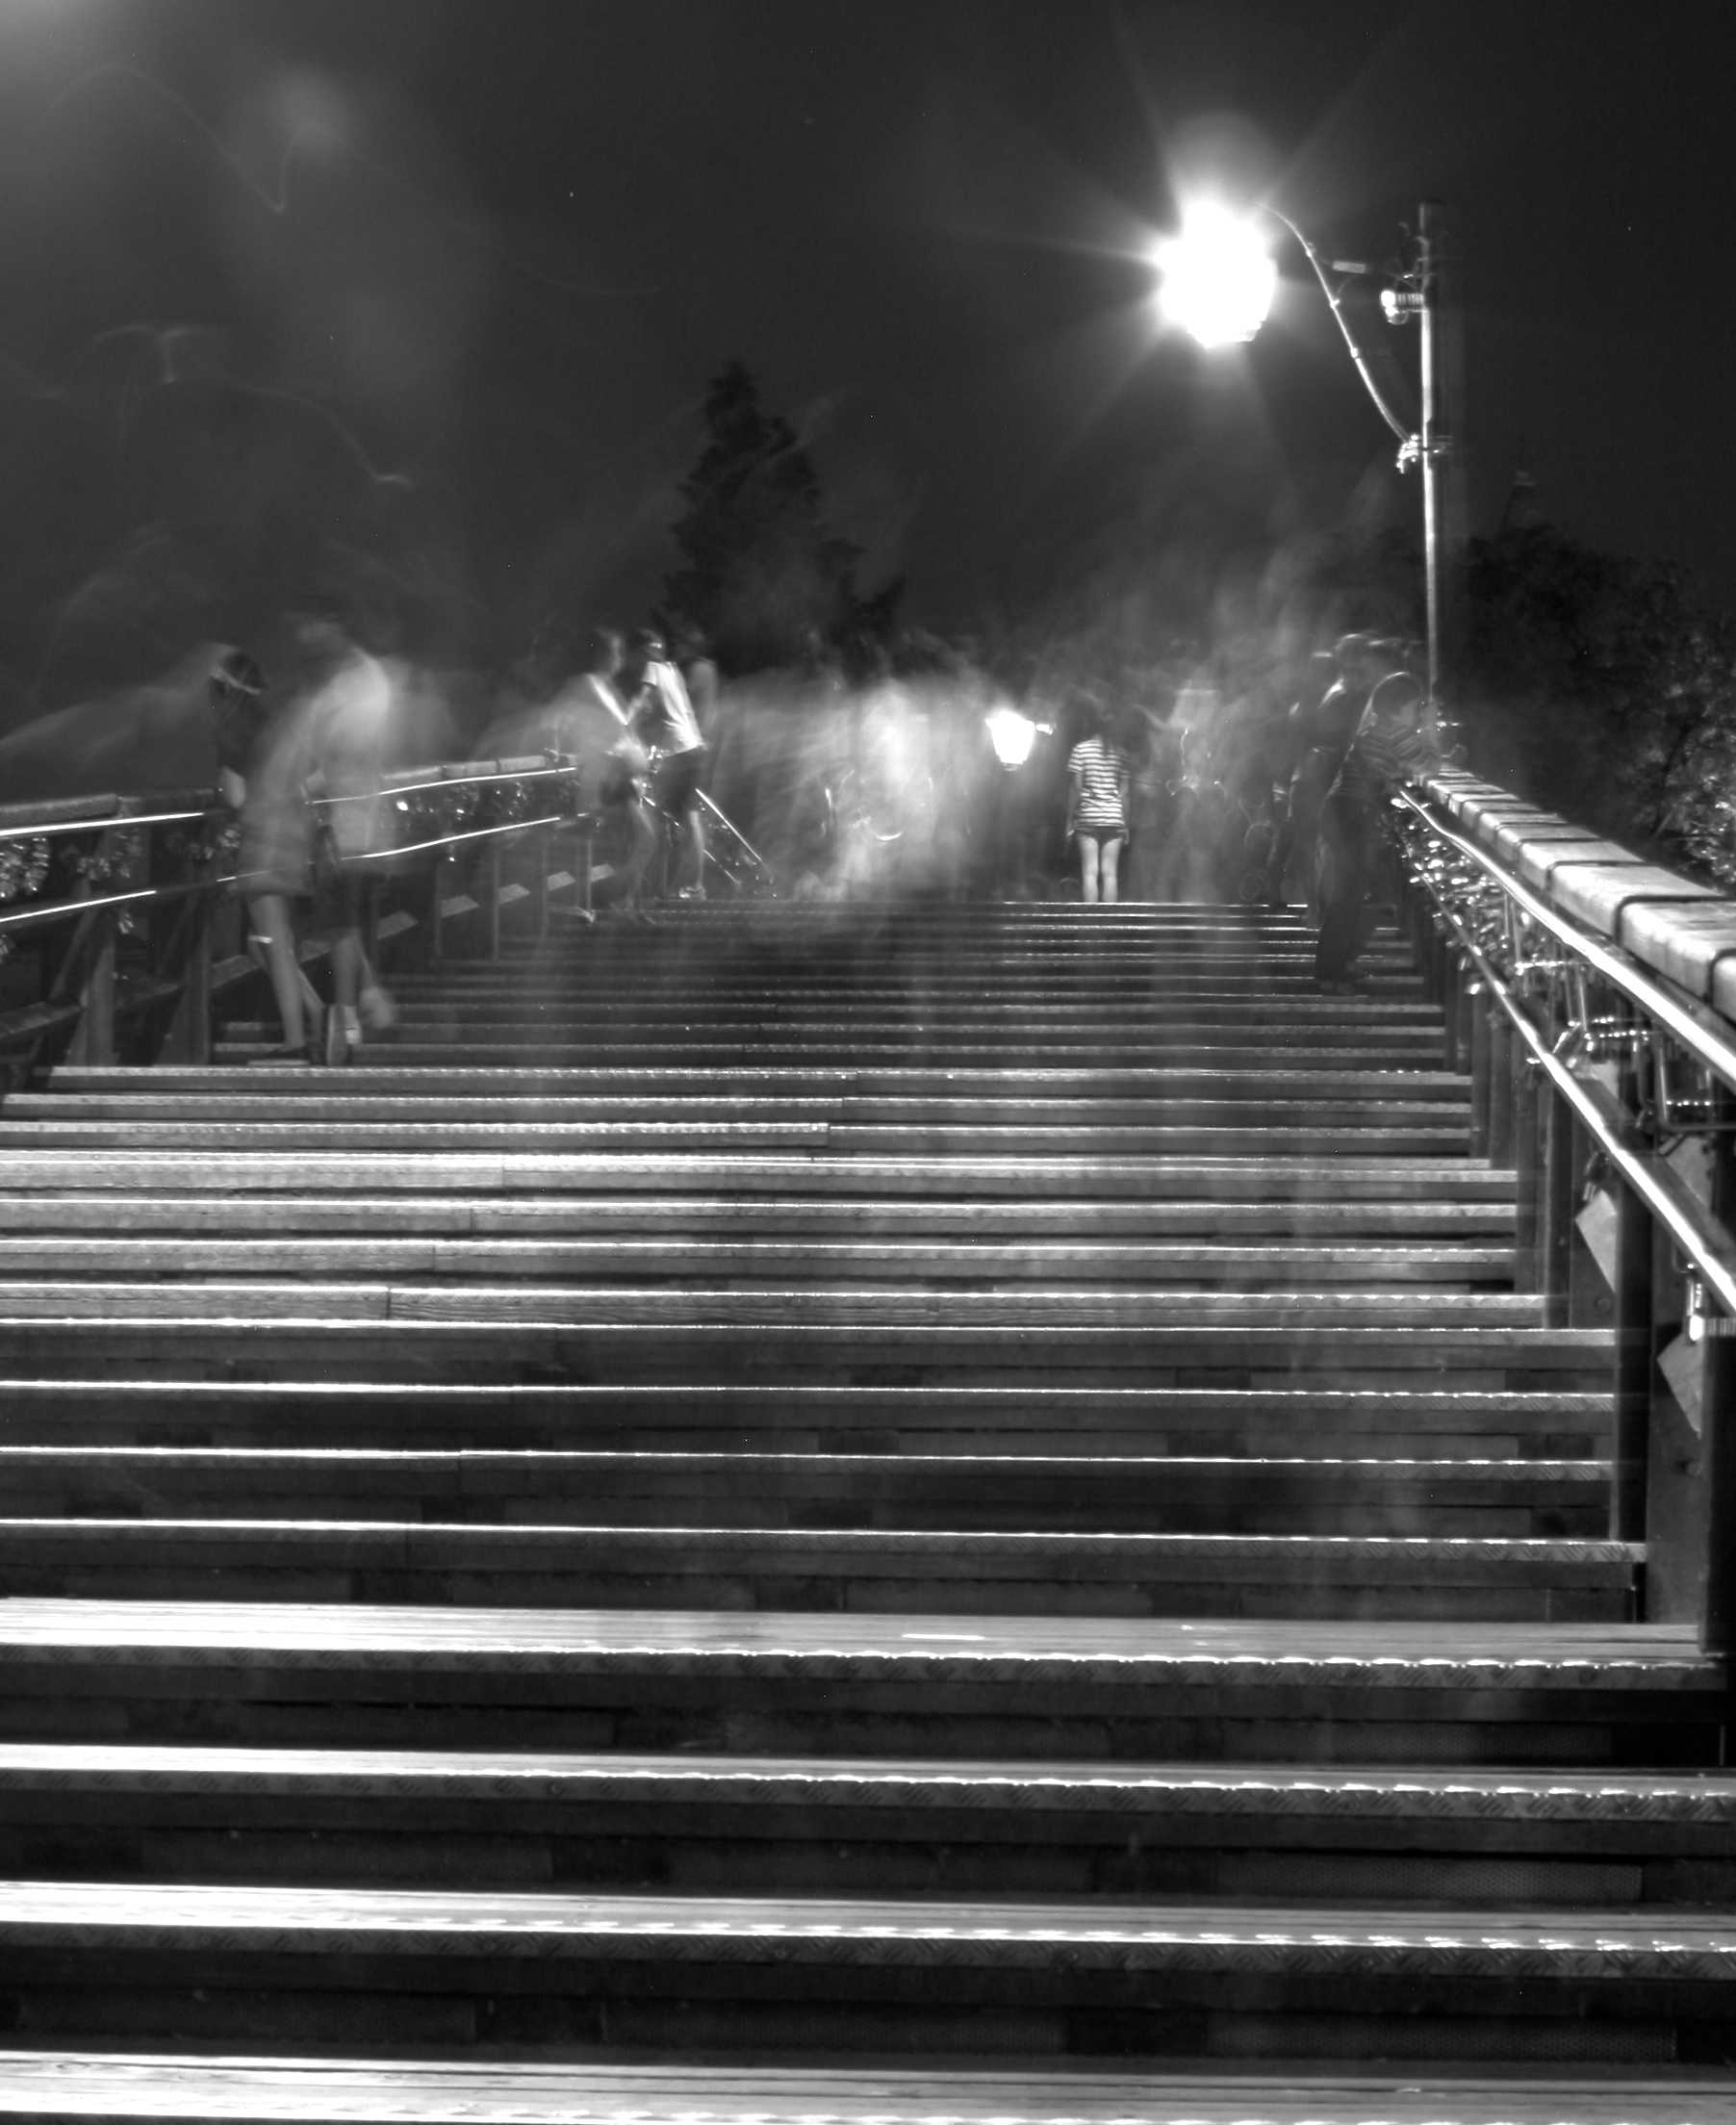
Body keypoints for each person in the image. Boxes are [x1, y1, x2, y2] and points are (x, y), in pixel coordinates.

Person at [212, 650, 323, 1064]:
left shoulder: (232, 733)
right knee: (268, 945)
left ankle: (296, 1041)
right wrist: (287, 796)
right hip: (294, 839)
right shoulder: (278, 727)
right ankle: (316, 1014)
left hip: (261, 843)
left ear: (226, 690)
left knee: (272, 945)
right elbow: (317, 776)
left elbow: (236, 797)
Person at [1313, 666, 1440, 993]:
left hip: (1341, 810)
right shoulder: (1392, 733)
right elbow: (1429, 763)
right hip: (1351, 813)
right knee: (1347, 895)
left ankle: (1337, 968)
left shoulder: (1376, 730)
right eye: (1416, 707)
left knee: (1349, 894)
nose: (1418, 713)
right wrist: (1430, 729)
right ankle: (1330, 974)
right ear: (1399, 707)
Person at [630, 627, 709, 899]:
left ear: (643, 652)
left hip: (679, 752)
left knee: (673, 819)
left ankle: (687, 886)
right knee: (683, 818)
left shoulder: (652, 668)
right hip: (690, 747)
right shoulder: (672, 672)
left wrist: (622, 726)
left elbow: (641, 702)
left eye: (636, 654)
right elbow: (682, 711)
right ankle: (681, 885)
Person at [1065, 699, 1131, 905]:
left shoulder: (1081, 750)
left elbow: (1075, 788)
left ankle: (1090, 927)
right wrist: (1126, 824)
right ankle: (1109, 927)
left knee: (1089, 872)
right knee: (1110, 874)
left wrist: (1068, 821)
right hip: (1113, 817)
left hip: (1087, 817)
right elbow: (1125, 793)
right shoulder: (1122, 755)